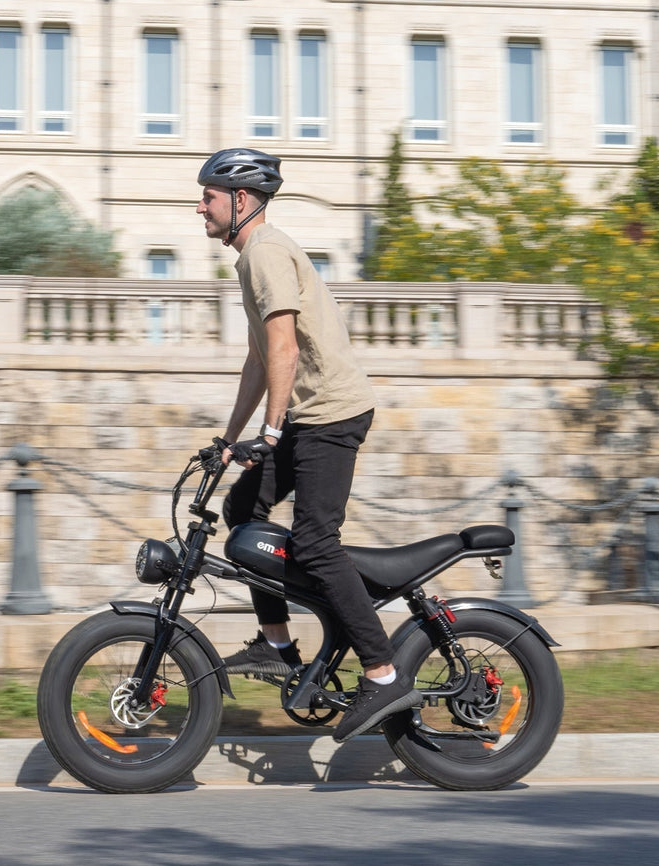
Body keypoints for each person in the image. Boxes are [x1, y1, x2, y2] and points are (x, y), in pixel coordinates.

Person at [195, 147, 421, 742]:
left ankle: (383, 670)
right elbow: (261, 358)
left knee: (317, 544)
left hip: (332, 415)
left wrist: (269, 434)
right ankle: (277, 646)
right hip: (308, 416)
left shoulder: (265, 252)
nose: (201, 207)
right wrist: (231, 437)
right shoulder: (252, 258)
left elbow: (287, 354)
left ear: (240, 201)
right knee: (242, 512)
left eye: (209, 197)